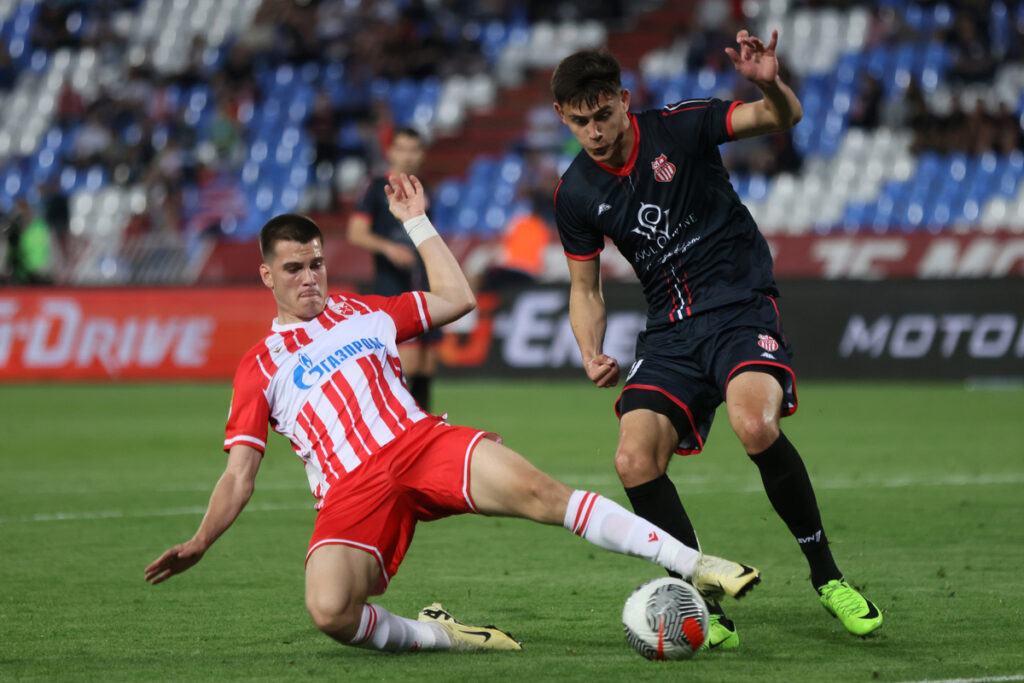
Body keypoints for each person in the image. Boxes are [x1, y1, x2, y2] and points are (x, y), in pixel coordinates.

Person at [144, 173, 761, 653]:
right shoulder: (260, 364)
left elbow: (457, 298)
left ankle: (693, 563)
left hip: (420, 444)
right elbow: (239, 475)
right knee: (330, 611)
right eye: (293, 269)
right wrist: (202, 540)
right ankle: (447, 636)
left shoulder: (365, 312)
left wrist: (417, 223)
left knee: (542, 493)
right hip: (350, 489)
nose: (310, 278)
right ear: (266, 275)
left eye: (316, 263)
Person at [550, 31, 883, 649]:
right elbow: (585, 289)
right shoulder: (574, 193)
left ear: (625, 100)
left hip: (737, 306)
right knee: (632, 459)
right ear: (561, 117)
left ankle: (828, 578)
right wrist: (589, 349)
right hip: (669, 331)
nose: (594, 132)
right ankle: (701, 596)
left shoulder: (681, 126)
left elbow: (781, 115)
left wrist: (766, 83)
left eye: (602, 115)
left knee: (754, 426)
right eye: (579, 122)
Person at [348, 128, 440, 412]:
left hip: (423, 286)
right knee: (407, 364)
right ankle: (397, 428)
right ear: (391, 152)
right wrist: (389, 248)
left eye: (414, 149)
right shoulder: (377, 188)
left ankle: (426, 430)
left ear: (422, 154)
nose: (408, 156)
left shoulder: (423, 191)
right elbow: (356, 232)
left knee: (426, 365)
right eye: (402, 148)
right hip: (393, 287)